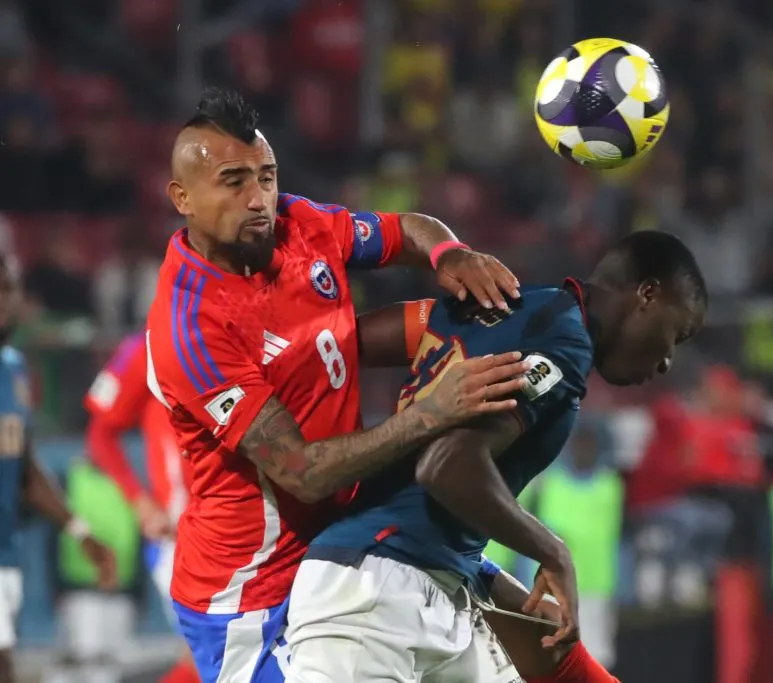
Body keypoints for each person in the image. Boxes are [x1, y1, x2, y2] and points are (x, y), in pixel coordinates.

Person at [145, 87, 527, 683]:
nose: (259, 200)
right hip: (254, 597)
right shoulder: (190, 326)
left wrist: (452, 255)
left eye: (266, 177)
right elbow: (301, 470)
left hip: (344, 548)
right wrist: (432, 410)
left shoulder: (302, 225)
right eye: (234, 181)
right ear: (182, 198)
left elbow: (406, 230)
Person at [287, 230, 708, 683]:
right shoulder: (565, 343)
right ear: (648, 294)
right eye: (677, 334)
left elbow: (345, 342)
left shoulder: (511, 303)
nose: (667, 361)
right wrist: (553, 552)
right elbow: (446, 466)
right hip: (373, 596)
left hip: (432, 585)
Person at [0, 253, 117, 683]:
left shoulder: (12, 368)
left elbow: (25, 468)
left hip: (6, 555)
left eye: (8, 290)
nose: (4, 301)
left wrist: (80, 532)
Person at [84, 332, 198, 683]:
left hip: (250, 528)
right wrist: (140, 501)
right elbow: (100, 435)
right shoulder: (148, 345)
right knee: (211, 657)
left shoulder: (249, 325)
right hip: (181, 537)